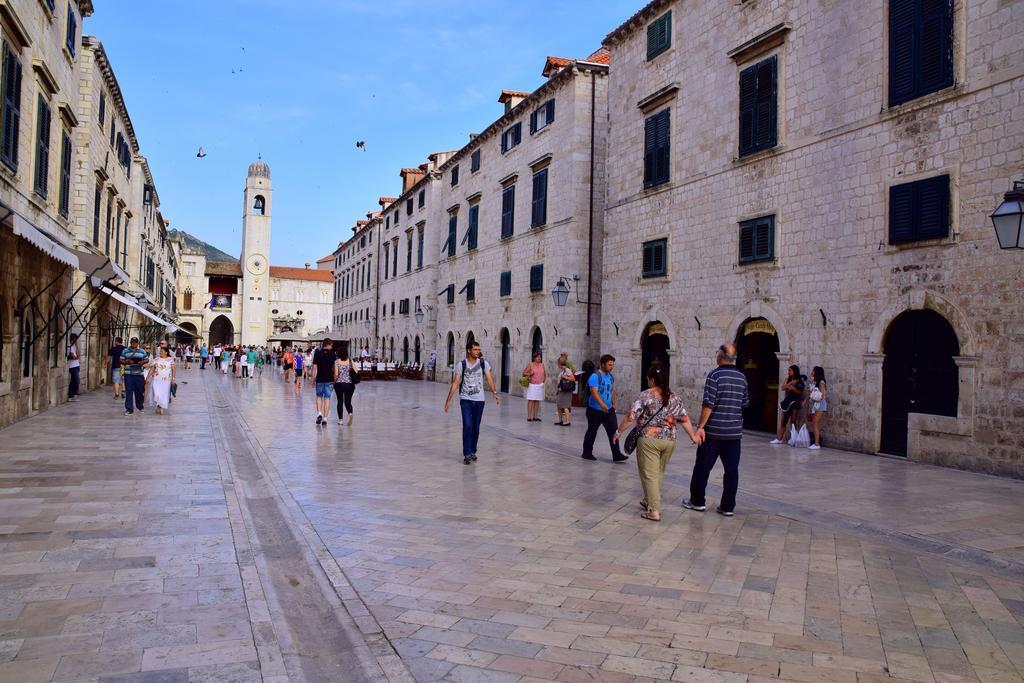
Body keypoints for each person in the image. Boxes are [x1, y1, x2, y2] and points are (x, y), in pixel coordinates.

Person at [614, 365, 700, 522]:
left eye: (648, 378)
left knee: (649, 475)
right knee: (658, 473)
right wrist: (693, 436)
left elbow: (630, 417)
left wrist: (618, 432)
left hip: (649, 440)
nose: (648, 381)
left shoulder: (645, 395)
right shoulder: (674, 396)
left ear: (652, 380)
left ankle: (654, 511)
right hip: (669, 441)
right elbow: (684, 419)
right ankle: (648, 500)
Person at [683, 344, 749, 517]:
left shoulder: (714, 376)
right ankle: (727, 507)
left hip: (713, 432)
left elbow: (708, 404)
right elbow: (745, 403)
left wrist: (700, 427)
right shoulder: (742, 377)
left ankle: (697, 501)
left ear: (720, 357)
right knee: (732, 471)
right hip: (734, 433)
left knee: (702, 468)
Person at [444, 340, 500, 465]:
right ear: (469, 350)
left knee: (476, 427)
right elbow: (455, 383)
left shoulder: (483, 363)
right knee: (467, 426)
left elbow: (489, 378)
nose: (477, 351)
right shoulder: (461, 365)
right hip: (465, 400)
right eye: (475, 349)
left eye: (478, 349)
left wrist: (494, 392)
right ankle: (467, 453)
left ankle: (473, 450)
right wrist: (448, 400)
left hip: (479, 400)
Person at [581, 354, 626, 463]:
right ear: (602, 364)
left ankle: (617, 454)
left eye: (612, 364)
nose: (612, 366)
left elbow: (612, 390)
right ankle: (586, 453)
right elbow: (594, 392)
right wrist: (602, 405)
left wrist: (614, 403)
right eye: (610, 364)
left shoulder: (610, 376)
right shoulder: (595, 376)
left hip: (609, 410)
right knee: (592, 431)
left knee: (613, 432)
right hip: (594, 410)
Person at [771, 365, 805, 444]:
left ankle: (793, 438)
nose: (788, 372)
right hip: (787, 402)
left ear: (794, 371)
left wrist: (792, 388)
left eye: (790, 370)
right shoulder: (788, 379)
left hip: (795, 402)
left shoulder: (800, 382)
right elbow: (783, 387)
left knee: (793, 421)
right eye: (788, 370)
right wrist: (791, 383)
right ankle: (780, 438)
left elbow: (800, 392)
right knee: (783, 421)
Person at [120, 337, 149, 415]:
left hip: (139, 374)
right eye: (132, 342)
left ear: (138, 343)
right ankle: (129, 409)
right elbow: (121, 360)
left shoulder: (142, 351)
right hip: (129, 374)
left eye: (135, 342)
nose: (134, 343)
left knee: (140, 391)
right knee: (129, 391)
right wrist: (127, 361)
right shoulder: (125, 351)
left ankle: (140, 406)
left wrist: (142, 362)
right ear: (130, 343)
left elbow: (147, 359)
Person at [312, 339, 337, 425]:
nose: (332, 347)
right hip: (329, 379)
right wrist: (334, 379)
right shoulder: (332, 354)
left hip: (319, 378)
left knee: (319, 397)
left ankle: (319, 414)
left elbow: (314, 367)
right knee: (327, 398)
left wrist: (312, 378)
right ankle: (325, 419)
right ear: (328, 345)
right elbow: (334, 368)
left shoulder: (317, 353)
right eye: (332, 345)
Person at [149, 346, 175, 415]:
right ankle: (159, 405)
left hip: (166, 380)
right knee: (157, 393)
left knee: (163, 394)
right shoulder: (156, 359)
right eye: (160, 351)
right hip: (156, 379)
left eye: (162, 351)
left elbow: (173, 369)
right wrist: (147, 377)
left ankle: (160, 407)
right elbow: (152, 368)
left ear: (166, 352)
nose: (160, 352)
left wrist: (173, 379)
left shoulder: (170, 360)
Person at [333, 348, 357, 425]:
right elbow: (356, 371)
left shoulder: (337, 362)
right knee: (348, 401)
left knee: (340, 401)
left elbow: (336, 374)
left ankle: (340, 421)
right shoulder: (350, 361)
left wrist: (334, 382)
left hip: (339, 384)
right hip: (349, 384)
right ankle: (350, 414)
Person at [807, 366, 828, 450]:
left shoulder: (821, 383)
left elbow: (822, 396)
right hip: (815, 405)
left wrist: (813, 395)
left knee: (815, 423)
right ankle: (816, 442)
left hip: (820, 405)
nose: (812, 371)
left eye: (813, 370)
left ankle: (816, 444)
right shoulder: (815, 382)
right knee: (814, 423)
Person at [522, 352, 546, 422]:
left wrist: (543, 382)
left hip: (540, 385)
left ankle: (535, 416)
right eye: (538, 357)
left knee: (537, 401)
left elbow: (545, 374)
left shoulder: (542, 365)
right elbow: (524, 373)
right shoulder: (530, 365)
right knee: (531, 400)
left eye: (540, 357)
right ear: (534, 358)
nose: (539, 358)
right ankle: (529, 417)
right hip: (532, 385)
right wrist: (530, 373)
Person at [555, 355, 576, 426]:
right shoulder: (563, 370)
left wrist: (564, 377)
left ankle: (567, 421)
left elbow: (573, 379)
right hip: (561, 390)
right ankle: (560, 420)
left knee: (565, 406)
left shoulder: (567, 370)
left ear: (559, 363)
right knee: (559, 406)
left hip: (566, 391)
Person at [105, 336, 126, 401]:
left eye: (115, 341)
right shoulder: (126, 349)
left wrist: (105, 364)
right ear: (122, 342)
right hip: (123, 366)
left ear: (116, 342)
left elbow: (109, 358)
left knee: (116, 381)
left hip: (116, 367)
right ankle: (123, 391)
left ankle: (116, 394)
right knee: (123, 380)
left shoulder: (113, 349)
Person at [66, 333, 81, 402]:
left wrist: (77, 346)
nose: (76, 341)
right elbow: (75, 357)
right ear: (72, 339)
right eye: (75, 340)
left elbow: (79, 355)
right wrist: (77, 357)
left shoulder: (74, 346)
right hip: (72, 366)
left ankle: (73, 396)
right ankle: (71, 395)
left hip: (77, 365)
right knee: (76, 380)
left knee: (74, 380)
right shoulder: (70, 347)